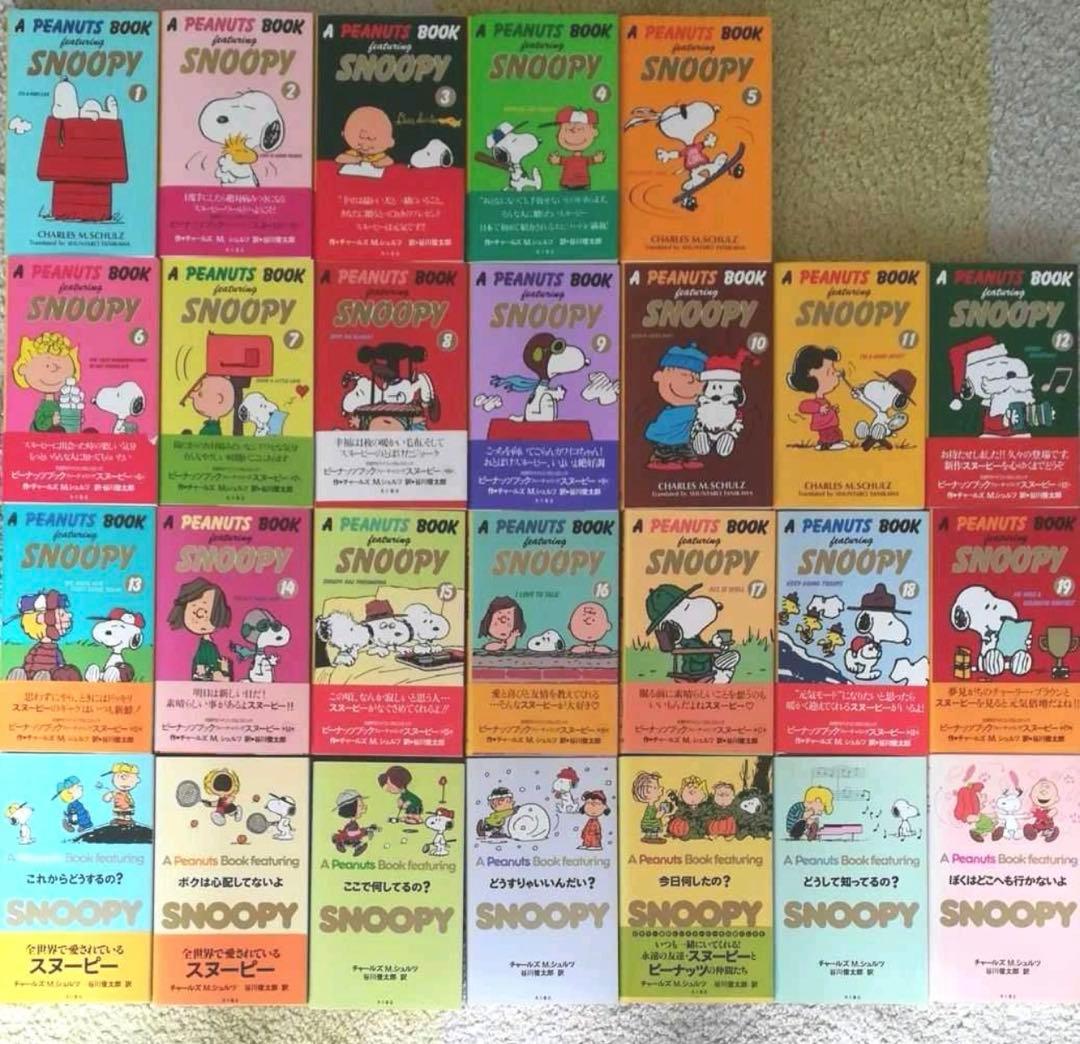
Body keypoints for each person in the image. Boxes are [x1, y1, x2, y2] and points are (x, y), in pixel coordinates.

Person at [167, 579, 233, 682]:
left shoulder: (210, 646)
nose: (203, 617)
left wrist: (223, 669)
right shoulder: (200, 646)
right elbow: (199, 669)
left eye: (211, 612)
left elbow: (215, 668)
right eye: (196, 611)